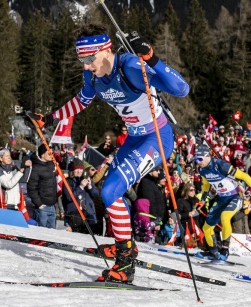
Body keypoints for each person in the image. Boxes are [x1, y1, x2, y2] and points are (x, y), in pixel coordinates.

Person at [25, 23, 189, 283]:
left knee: (111, 190)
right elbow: (81, 100)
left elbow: (182, 89)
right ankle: (126, 244)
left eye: (90, 58)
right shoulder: (92, 77)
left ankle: (125, 265)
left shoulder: (130, 68)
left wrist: (151, 57)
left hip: (156, 138)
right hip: (134, 140)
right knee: (109, 192)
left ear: (106, 50)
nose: (86, 65)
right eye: (82, 59)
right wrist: (50, 117)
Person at [193, 144, 251, 262]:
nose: (197, 162)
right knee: (207, 227)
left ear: (206, 156)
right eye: (195, 159)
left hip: (235, 196)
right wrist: (203, 200)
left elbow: (243, 175)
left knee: (225, 217)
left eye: (199, 159)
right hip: (221, 198)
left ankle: (225, 250)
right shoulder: (201, 169)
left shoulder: (220, 165)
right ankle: (213, 252)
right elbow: (206, 185)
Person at [0, 148, 37, 225]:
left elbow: (24, 179)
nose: (9, 157)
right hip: (5, 205)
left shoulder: (13, 168)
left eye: (9, 155)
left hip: (16, 204)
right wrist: (19, 172)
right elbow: (9, 185)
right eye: (6, 156)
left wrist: (27, 167)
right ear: (0, 158)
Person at [27, 144, 58, 229]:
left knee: (52, 232)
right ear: (42, 154)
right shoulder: (36, 168)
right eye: (49, 153)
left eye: (52, 153)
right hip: (42, 207)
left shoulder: (51, 164)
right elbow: (31, 188)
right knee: (42, 232)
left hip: (52, 205)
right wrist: (39, 204)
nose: (51, 155)